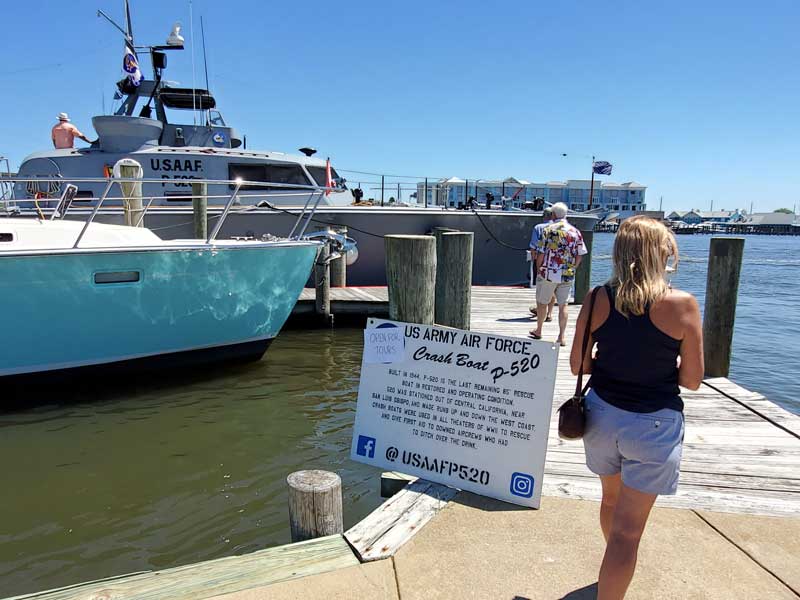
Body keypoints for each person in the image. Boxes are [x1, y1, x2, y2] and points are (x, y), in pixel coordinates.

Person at [570, 216, 703, 600]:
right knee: (629, 533)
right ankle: (614, 580)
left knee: (611, 502)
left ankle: (612, 570)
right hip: (653, 425)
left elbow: (579, 364)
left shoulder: (597, 298)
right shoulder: (682, 305)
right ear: (662, 254)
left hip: (601, 418)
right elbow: (692, 380)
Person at [529, 202, 587, 346]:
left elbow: (540, 253)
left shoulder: (548, 230)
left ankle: (539, 330)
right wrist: (573, 267)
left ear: (553, 214)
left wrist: (539, 268)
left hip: (548, 271)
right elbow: (580, 254)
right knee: (563, 304)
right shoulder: (575, 232)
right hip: (566, 273)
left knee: (543, 303)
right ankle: (561, 336)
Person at [528, 207, 556, 322]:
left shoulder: (538, 227)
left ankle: (541, 312)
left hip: (541, 261)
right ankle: (549, 313)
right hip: (555, 262)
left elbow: (533, 246)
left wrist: (535, 260)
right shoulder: (557, 228)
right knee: (553, 288)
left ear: (544, 216)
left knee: (540, 288)